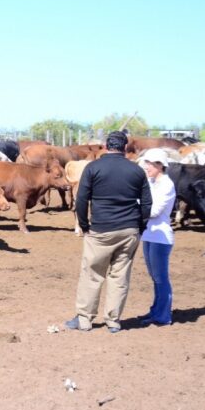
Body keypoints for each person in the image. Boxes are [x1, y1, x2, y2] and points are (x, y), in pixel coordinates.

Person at [64, 131, 152, 333]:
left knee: (92, 274)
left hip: (101, 229)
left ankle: (85, 319)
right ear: (125, 147)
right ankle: (113, 320)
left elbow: (81, 200)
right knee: (119, 276)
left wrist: (84, 225)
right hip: (129, 229)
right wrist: (140, 226)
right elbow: (147, 202)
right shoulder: (136, 170)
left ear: (105, 145)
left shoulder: (93, 168)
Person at [138, 148, 176, 326]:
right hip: (150, 234)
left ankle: (163, 315)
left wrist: (134, 208)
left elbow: (154, 211)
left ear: (160, 165)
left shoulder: (166, 185)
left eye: (150, 164)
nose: (146, 167)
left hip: (160, 238)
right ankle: (157, 311)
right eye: (146, 163)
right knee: (156, 277)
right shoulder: (152, 182)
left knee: (160, 278)